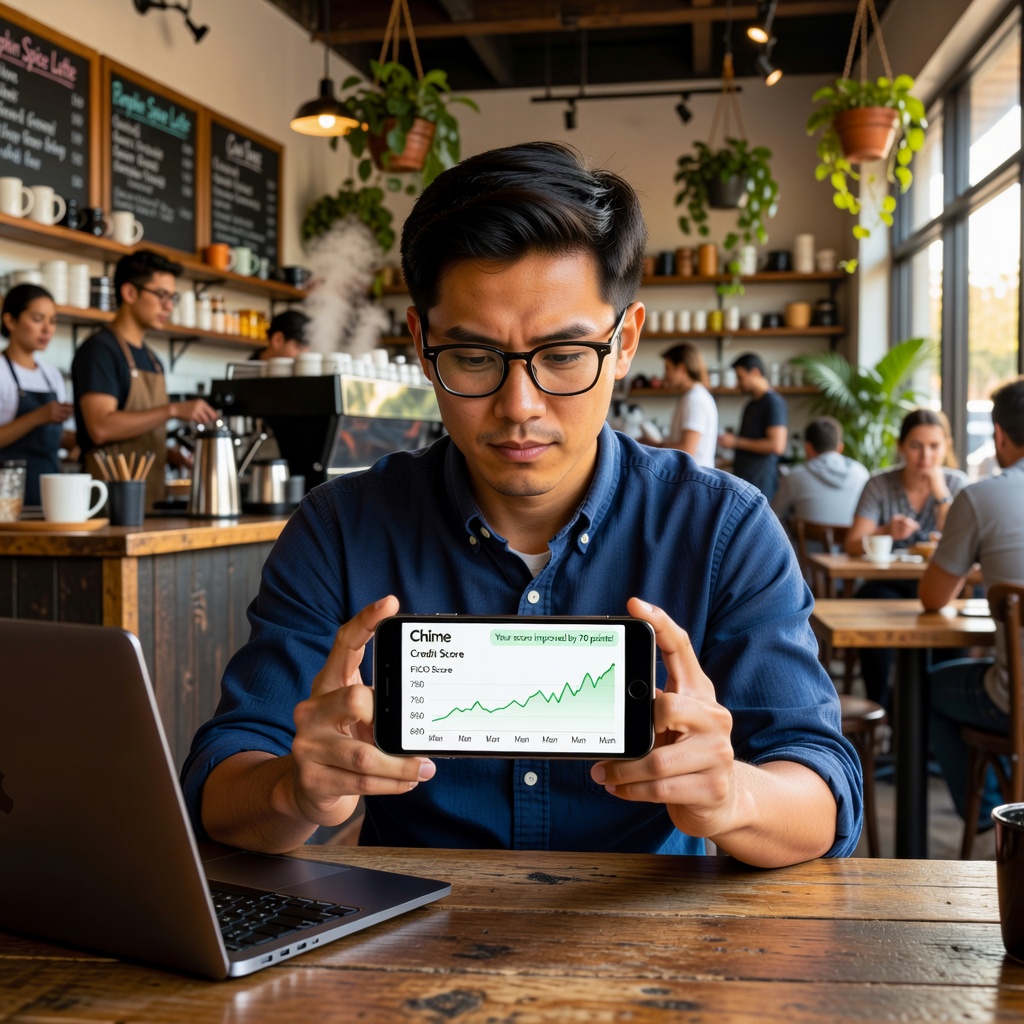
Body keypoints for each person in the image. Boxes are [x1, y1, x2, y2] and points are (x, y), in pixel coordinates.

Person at [181, 142, 862, 868]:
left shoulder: (724, 528)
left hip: (658, 927)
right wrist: (293, 791)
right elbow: (218, 789)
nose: (520, 407)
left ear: (625, 342)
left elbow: (823, 792)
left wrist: (734, 798)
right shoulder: (340, 529)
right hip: (412, 928)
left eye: (564, 357)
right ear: (422, 344)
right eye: (474, 358)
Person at [918, 378, 1024, 829]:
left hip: (1013, 701)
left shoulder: (982, 496)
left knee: (924, 686)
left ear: (999, 434)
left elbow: (934, 597)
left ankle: (991, 816)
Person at [71, 250, 217, 510]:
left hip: (151, 498)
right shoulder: (99, 350)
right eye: (161, 295)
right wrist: (173, 410)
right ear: (129, 293)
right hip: (108, 505)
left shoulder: (153, 360)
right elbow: (101, 427)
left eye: (172, 298)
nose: (169, 306)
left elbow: (140, 436)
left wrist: (172, 455)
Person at [845, 407, 968, 706]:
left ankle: (938, 710)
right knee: (870, 603)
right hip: (889, 583)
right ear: (901, 446)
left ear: (946, 447)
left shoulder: (956, 484)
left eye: (934, 446)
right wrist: (886, 530)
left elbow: (959, 541)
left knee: (957, 618)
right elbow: (852, 543)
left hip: (942, 584)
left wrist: (940, 493)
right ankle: (881, 706)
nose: (926, 455)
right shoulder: (879, 484)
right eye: (916, 446)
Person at [0, 284, 75, 506]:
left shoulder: (52, 375)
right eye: (37, 319)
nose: (47, 329)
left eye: (52, 321)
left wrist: (79, 441)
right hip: (7, 494)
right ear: (10, 321)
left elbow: (54, 437)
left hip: (50, 488)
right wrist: (37, 417)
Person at [771, 416, 869, 530]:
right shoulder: (862, 473)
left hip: (806, 542)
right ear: (840, 447)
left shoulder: (794, 476)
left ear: (808, 447)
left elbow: (773, 516)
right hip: (852, 542)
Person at [718, 353, 788, 500]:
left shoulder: (773, 402)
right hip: (747, 481)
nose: (738, 384)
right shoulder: (751, 404)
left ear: (755, 373)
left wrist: (735, 442)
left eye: (740, 377)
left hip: (760, 484)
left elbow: (777, 445)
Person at [653, 342, 718, 467]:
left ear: (682, 368)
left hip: (693, 477)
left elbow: (687, 450)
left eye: (668, 369)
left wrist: (655, 446)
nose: (665, 375)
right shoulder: (692, 396)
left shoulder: (695, 399)